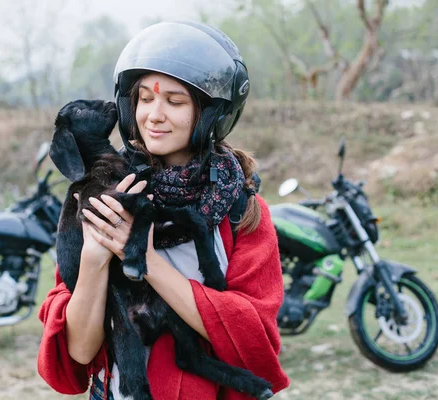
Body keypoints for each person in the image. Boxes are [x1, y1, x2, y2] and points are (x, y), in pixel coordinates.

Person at [37, 21, 290, 400]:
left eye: (174, 101)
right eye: (144, 98)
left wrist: (144, 259)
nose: (154, 114)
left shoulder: (241, 209)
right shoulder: (102, 195)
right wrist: (93, 259)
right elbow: (79, 354)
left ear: (209, 113)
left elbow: (254, 340)